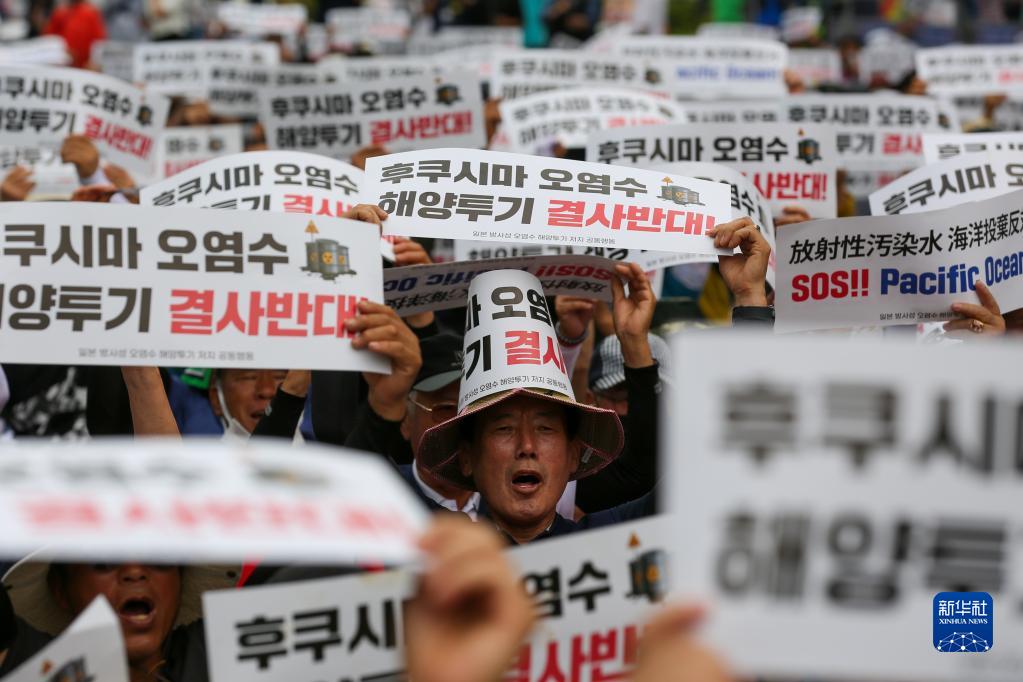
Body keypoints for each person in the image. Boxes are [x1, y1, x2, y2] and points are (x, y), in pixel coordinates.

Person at [0, 558, 238, 680]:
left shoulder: (222, 650)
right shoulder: (28, 658)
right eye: (104, 561)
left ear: (180, 579)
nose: (135, 573)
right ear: (59, 589)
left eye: (160, 557)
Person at [43, 0, 106, 68]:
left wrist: (93, 61)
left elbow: (99, 42)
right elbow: (49, 40)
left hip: (84, 67)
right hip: (63, 64)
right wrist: (62, 52)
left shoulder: (91, 13)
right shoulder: (60, 13)